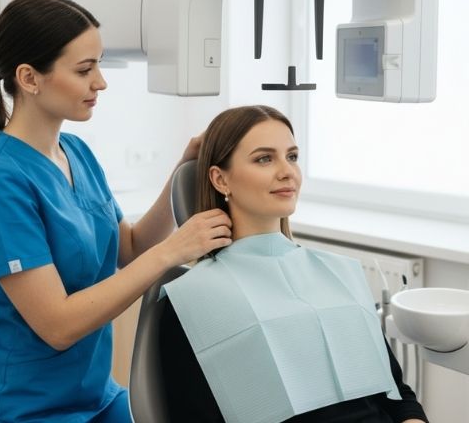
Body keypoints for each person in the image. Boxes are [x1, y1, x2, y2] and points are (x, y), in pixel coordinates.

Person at [0, 0, 232, 422]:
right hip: (23, 408)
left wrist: (183, 167)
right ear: (30, 78)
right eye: (85, 69)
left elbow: (133, 248)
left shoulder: (75, 152)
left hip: (95, 397)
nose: (100, 82)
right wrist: (175, 251)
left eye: (99, 64)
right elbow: (58, 326)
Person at [159, 105, 429, 423]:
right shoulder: (193, 298)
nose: (287, 171)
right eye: (264, 158)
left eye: (292, 156)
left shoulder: (340, 274)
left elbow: (397, 396)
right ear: (220, 179)